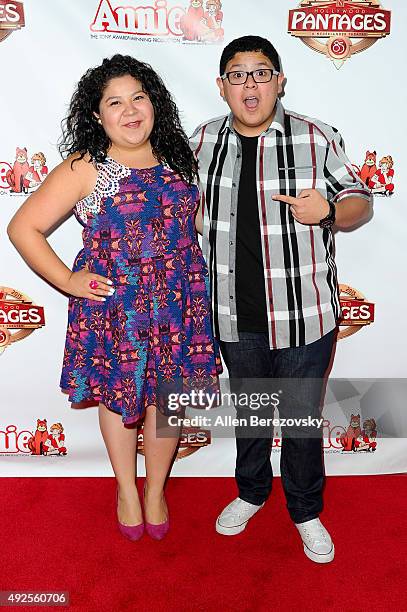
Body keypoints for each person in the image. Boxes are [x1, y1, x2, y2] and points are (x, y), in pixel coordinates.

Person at [8, 54, 222, 542]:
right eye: (115, 102)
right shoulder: (87, 167)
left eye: (139, 97)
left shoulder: (181, 158)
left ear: (155, 104)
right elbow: (24, 228)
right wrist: (68, 279)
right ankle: (128, 489)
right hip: (115, 311)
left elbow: (189, 230)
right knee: (118, 395)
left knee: (168, 400)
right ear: (97, 115)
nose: (130, 110)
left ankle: (156, 491)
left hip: (177, 305)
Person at [190, 35, 371, 563]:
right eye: (238, 74)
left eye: (261, 72)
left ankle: (306, 508)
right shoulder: (200, 142)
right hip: (231, 313)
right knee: (250, 413)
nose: (250, 84)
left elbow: (360, 201)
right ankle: (251, 492)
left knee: (298, 418)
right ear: (222, 86)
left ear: (280, 81)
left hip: (304, 312)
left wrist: (330, 212)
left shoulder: (316, 137)